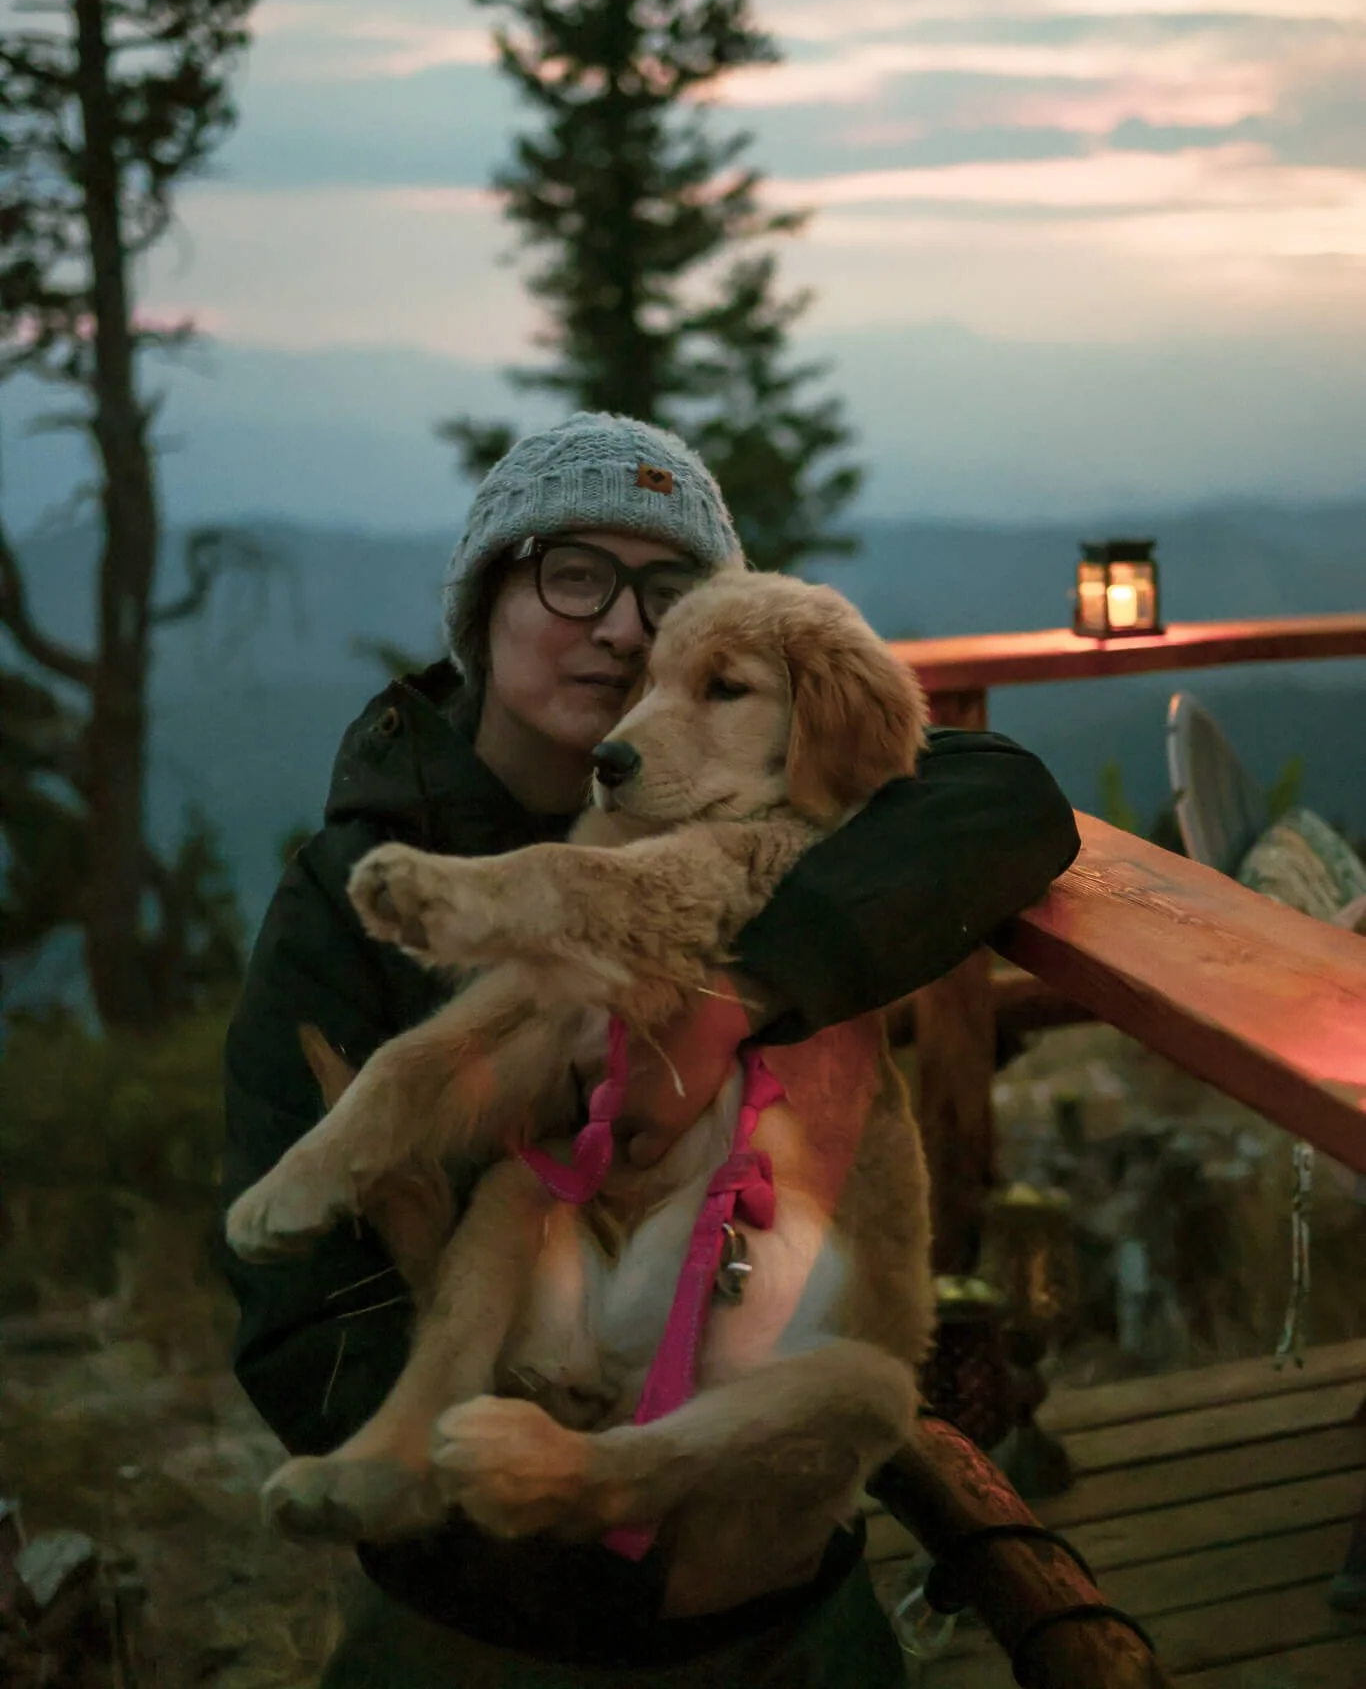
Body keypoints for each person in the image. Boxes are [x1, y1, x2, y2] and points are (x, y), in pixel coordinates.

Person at [220, 411, 1080, 1688]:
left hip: (768, 1576)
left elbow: (1001, 793)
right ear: (486, 603)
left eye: (665, 588)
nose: (621, 626)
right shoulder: (347, 888)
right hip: (490, 1615)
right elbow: (299, 1317)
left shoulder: (774, 789)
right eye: (573, 573)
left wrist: (743, 990)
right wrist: (541, 1515)